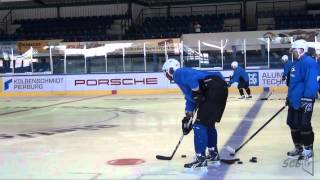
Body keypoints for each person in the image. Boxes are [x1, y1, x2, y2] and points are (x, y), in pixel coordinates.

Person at [162, 58, 228, 169]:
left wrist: (197, 92)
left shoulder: (179, 73)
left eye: (165, 73)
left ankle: (200, 158)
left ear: (170, 70)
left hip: (212, 88)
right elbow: (190, 98)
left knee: (199, 126)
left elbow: (194, 83)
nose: (166, 76)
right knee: (208, 124)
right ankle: (213, 154)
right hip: (219, 89)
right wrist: (188, 116)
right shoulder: (186, 75)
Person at [286, 39, 318, 160]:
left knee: (304, 124)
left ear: (301, 50)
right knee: (292, 123)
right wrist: (289, 97)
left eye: (294, 50)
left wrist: (308, 98)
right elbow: (293, 83)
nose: (292, 52)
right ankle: (298, 148)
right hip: (294, 101)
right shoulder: (296, 63)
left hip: (305, 100)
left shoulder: (309, 63)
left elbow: (311, 82)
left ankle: (308, 150)